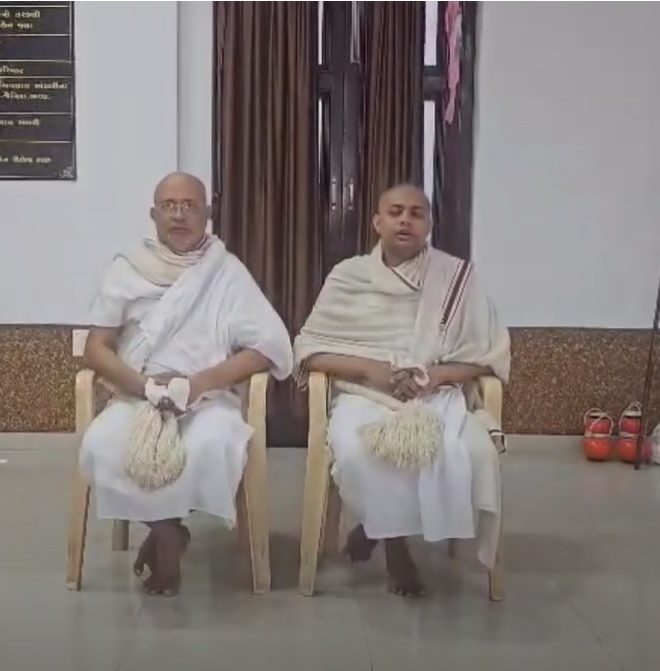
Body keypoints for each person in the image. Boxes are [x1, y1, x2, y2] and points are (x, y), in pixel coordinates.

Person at [78, 172, 293, 597]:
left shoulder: (225, 272)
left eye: (189, 206)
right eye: (169, 206)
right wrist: (144, 387)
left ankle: (165, 535)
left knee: (210, 445)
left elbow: (269, 347)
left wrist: (198, 384)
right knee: (102, 444)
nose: (178, 215)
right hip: (137, 396)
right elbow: (96, 348)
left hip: (207, 398)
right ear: (153, 214)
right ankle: (167, 530)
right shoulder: (127, 268)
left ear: (207, 213)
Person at [293, 183, 510, 597]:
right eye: (395, 212)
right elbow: (310, 349)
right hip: (363, 394)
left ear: (429, 224)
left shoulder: (456, 278)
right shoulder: (348, 276)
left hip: (434, 395)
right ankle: (394, 546)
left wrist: (438, 375)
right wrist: (369, 369)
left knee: (472, 453)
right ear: (377, 222)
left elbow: (490, 354)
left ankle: (374, 529)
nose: (405, 221)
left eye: (416, 213)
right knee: (360, 451)